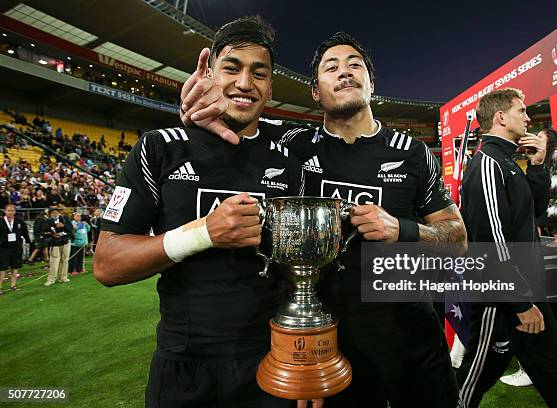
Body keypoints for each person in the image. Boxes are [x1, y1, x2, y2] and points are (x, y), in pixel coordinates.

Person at [181, 32, 466, 408]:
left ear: (371, 83)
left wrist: (402, 229)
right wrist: (194, 108)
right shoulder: (292, 146)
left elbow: (457, 239)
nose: (344, 73)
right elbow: (229, 122)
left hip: (411, 334)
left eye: (354, 65)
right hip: (331, 342)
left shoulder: (413, 154)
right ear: (315, 91)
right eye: (331, 68)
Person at [94, 17, 315, 408]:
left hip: (268, 363)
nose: (245, 84)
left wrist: (305, 360)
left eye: (258, 73)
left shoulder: (290, 163)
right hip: (183, 368)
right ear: (207, 72)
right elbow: (108, 264)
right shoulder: (160, 148)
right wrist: (202, 233)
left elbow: (298, 273)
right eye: (231, 68)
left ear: (269, 86)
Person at [457, 88, 557, 407]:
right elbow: (490, 243)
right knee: (474, 379)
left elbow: (535, 213)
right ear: (500, 117)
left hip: (525, 290)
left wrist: (538, 165)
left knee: (554, 373)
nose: (528, 117)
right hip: (502, 297)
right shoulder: (487, 163)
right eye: (522, 110)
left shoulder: (508, 162)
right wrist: (520, 303)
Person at [0, 204, 30, 294]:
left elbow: (25, 232)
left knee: (15, 267)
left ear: (15, 211)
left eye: (12, 211)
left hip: (16, 248)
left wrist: (28, 242)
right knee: (2, 269)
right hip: (3, 248)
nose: (10, 212)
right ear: (5, 211)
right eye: (8, 210)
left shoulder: (19, 221)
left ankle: (13, 285)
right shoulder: (1, 221)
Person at [44, 207, 73, 286]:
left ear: (59, 213)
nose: (55, 214)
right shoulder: (48, 221)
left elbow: (70, 228)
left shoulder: (65, 218)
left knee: (65, 260)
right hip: (54, 243)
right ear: (50, 214)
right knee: (54, 261)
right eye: (52, 213)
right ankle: (51, 279)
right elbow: (45, 231)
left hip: (65, 241)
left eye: (56, 212)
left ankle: (63, 277)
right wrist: (52, 234)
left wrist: (63, 225)